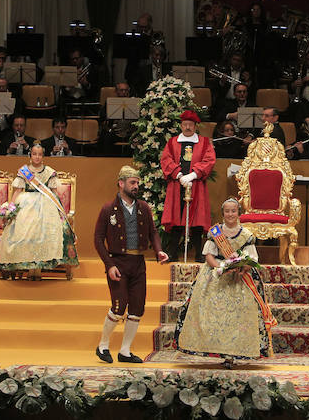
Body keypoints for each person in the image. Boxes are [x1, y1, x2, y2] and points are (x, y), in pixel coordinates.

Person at [175, 198, 270, 364]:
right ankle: (213, 349)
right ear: (223, 213)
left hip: (239, 279)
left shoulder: (247, 235)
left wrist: (242, 268)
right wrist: (220, 267)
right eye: (227, 211)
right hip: (216, 276)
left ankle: (233, 354)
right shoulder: (215, 233)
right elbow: (209, 255)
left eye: (233, 211)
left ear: (238, 212)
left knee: (237, 317)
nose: (230, 214)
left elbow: (252, 258)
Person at [94, 165, 168, 364]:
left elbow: (153, 232)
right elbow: (98, 239)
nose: (136, 186)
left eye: (137, 183)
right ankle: (103, 345)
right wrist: (109, 265)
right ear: (121, 184)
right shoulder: (108, 208)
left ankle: (125, 351)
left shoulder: (143, 207)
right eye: (132, 183)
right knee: (119, 307)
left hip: (138, 263)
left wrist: (158, 250)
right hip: (118, 262)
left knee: (137, 308)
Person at [0, 144, 78, 280]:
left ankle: (42, 264)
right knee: (22, 229)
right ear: (30, 155)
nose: (37, 157)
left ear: (43, 156)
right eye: (34, 154)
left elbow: (54, 193)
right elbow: (17, 191)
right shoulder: (24, 171)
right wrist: (10, 208)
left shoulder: (50, 172)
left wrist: (59, 211)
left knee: (53, 229)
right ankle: (24, 264)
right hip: (26, 204)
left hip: (46, 205)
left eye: (40, 154)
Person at [160, 110, 216, 262]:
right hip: (177, 184)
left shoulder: (204, 142)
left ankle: (199, 254)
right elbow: (166, 160)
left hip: (196, 184)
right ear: (181, 125)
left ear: (196, 126)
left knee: (197, 220)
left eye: (190, 125)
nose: (187, 127)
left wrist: (193, 174)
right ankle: (172, 253)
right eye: (185, 124)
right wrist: (178, 175)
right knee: (176, 219)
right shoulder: (172, 142)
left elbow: (209, 160)